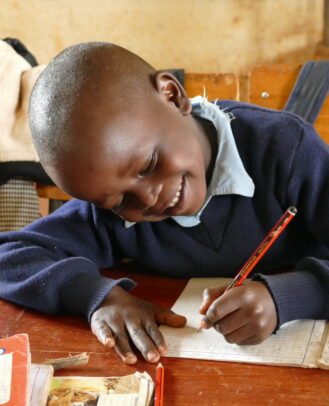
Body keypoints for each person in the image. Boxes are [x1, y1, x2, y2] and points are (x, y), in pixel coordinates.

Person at [0, 42, 328, 366]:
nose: (147, 198)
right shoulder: (107, 207)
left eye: (149, 165)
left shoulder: (286, 150)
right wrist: (99, 296)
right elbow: (9, 256)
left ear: (173, 96)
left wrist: (290, 296)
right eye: (120, 201)